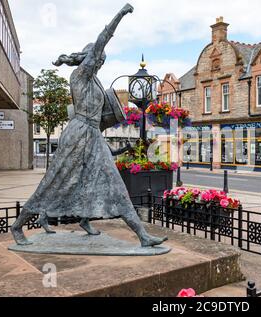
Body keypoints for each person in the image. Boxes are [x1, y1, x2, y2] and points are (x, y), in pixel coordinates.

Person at [11, 3, 167, 248]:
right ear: (89, 58)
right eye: (98, 58)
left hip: (93, 135)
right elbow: (102, 39)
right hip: (78, 134)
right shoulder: (80, 76)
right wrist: (121, 14)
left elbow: (103, 116)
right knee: (56, 181)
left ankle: (143, 236)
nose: (100, 63)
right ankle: (18, 225)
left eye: (102, 61)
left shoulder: (94, 80)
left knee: (113, 184)